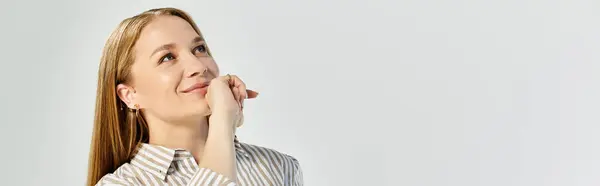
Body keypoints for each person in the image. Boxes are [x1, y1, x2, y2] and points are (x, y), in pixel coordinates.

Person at [86, 7, 303, 186]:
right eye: (167, 57)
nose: (197, 66)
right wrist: (222, 124)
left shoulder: (279, 167)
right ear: (129, 95)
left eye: (199, 49)